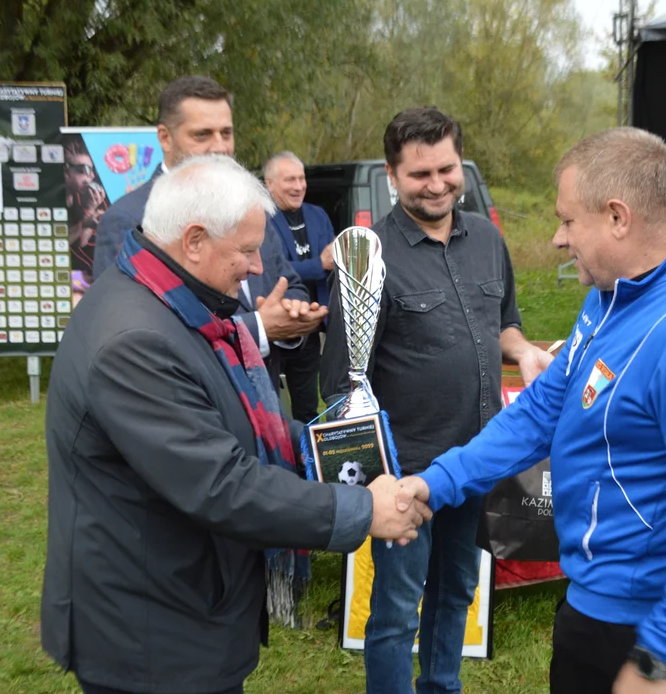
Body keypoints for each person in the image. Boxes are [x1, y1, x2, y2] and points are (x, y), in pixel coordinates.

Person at [41, 154, 431, 694]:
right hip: (150, 637)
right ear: (195, 240)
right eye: (247, 251)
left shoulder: (173, 303)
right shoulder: (137, 341)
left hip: (183, 602)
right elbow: (220, 483)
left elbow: (242, 421)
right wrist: (362, 510)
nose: (255, 268)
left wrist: (348, 452)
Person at [398, 128, 666, 694]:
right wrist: (436, 482)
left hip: (640, 624)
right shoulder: (614, 293)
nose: (556, 238)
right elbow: (544, 408)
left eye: (568, 220)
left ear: (617, 217)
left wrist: (660, 663)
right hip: (592, 598)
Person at [320, 106, 551, 694]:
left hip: (477, 462)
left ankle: (441, 688)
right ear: (393, 176)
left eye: (447, 169)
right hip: (407, 477)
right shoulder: (366, 259)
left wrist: (522, 351)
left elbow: (504, 323)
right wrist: (375, 485)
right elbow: (343, 383)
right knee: (396, 614)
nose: (438, 184)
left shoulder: (489, 240)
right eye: (419, 174)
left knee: (457, 595)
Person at [91, 76, 323, 385]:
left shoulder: (249, 206)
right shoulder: (129, 220)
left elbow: (286, 282)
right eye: (203, 135)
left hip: (260, 400)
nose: (220, 147)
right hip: (179, 404)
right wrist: (258, 328)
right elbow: (127, 334)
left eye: (226, 133)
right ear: (164, 137)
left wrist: (289, 312)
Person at [264, 151, 336, 423]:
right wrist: (319, 264)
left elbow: (333, 265)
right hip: (276, 327)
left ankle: (310, 462)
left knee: (308, 408)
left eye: (301, 178)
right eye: (289, 180)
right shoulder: (261, 219)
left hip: (312, 326)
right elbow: (273, 272)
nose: (298, 186)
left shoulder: (317, 215)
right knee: (273, 411)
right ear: (269, 184)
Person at [62, 134, 110, 282]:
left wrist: (91, 211)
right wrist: (86, 219)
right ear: (66, 172)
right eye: (83, 170)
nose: (90, 177)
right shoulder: (52, 199)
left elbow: (81, 243)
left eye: (91, 171)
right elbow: (56, 243)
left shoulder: (81, 197)